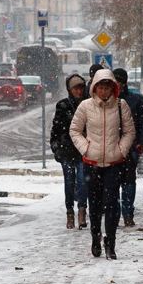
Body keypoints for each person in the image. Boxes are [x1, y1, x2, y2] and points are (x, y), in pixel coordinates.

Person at [70, 69, 135, 259]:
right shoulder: (85, 106)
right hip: (92, 163)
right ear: (95, 88)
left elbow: (129, 132)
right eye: (101, 88)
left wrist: (121, 150)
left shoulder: (121, 106)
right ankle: (95, 236)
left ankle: (111, 241)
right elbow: (74, 130)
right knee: (95, 204)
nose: (104, 92)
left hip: (114, 164)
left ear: (113, 88)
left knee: (112, 204)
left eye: (107, 88)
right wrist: (86, 148)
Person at [49, 73, 89, 229]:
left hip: (83, 151)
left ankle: (82, 210)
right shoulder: (63, 105)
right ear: (70, 89)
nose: (78, 91)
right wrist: (56, 148)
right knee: (69, 181)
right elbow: (56, 130)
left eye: (81, 88)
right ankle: (70, 212)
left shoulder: (88, 105)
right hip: (66, 151)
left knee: (82, 181)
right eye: (75, 88)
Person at [114, 68, 143, 227]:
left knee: (128, 181)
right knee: (112, 183)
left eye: (119, 82)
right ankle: (114, 213)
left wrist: (141, 142)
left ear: (124, 83)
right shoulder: (106, 101)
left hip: (130, 148)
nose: (117, 85)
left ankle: (128, 213)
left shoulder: (135, 100)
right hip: (111, 148)